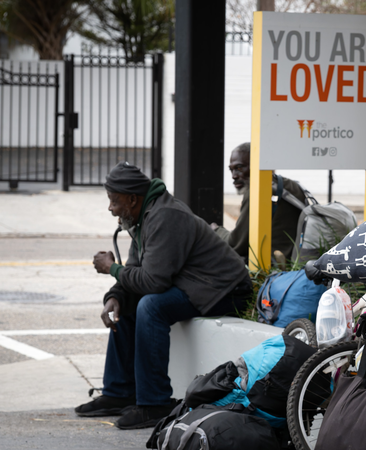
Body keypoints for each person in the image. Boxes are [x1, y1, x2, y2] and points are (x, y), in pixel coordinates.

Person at [75, 162, 252, 430]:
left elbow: (153, 282)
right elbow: (135, 271)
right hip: (192, 283)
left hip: (223, 289)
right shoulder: (142, 215)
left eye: (114, 201)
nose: (110, 209)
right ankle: (119, 391)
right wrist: (115, 295)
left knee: (151, 306)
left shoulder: (166, 216)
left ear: (132, 199)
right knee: (127, 302)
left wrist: (112, 268)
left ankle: (154, 403)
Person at [211, 142, 309, 265]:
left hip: (269, 272)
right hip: (296, 267)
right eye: (231, 170)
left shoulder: (257, 191)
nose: (234, 176)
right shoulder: (293, 186)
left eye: (239, 168)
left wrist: (216, 230)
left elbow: (236, 244)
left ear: (256, 164)